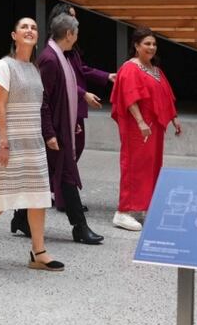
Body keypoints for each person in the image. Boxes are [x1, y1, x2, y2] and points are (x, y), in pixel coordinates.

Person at [0, 18, 64, 271]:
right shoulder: (4, 66)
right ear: (14, 35)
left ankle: (38, 252)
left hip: (34, 141)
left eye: (33, 28)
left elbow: (39, 106)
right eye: (24, 27)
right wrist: (4, 142)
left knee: (39, 197)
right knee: (2, 196)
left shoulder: (34, 68)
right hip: (13, 141)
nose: (30, 31)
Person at [38, 13, 104, 244]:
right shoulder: (50, 59)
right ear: (69, 34)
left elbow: (64, 97)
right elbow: (43, 99)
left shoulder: (61, 56)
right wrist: (49, 133)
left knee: (49, 176)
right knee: (65, 175)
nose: (77, 36)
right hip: (54, 131)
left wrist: (72, 120)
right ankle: (79, 227)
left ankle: (20, 219)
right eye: (76, 32)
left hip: (61, 127)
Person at [111, 27, 182, 231]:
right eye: (146, 44)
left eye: (153, 44)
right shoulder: (130, 68)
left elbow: (165, 96)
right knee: (134, 166)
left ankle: (146, 206)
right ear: (136, 45)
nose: (151, 47)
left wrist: (174, 118)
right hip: (138, 128)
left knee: (152, 167)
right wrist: (141, 122)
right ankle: (123, 211)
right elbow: (129, 96)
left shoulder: (155, 69)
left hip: (154, 128)